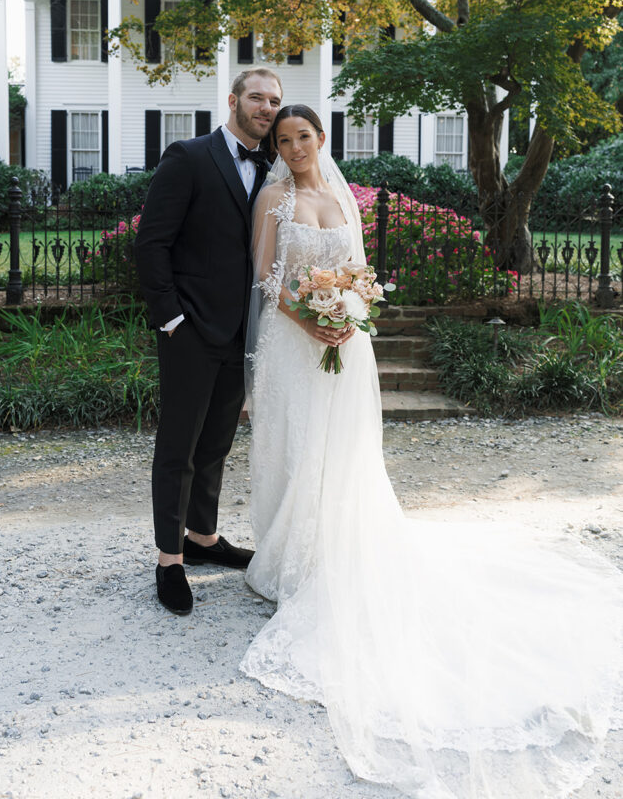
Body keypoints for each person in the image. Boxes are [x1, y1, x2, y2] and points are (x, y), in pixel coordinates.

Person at [241, 103, 623, 799]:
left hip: (344, 348)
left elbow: (357, 273)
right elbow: (267, 281)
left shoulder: (337, 198)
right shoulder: (273, 198)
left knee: (344, 453)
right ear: (276, 146)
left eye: (303, 137)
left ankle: (337, 548)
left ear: (320, 140)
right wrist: (309, 319)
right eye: (283, 139)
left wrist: (348, 316)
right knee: (295, 451)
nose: (294, 148)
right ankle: (288, 557)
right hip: (292, 349)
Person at [134, 68, 282, 615]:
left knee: (216, 443)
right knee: (178, 447)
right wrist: (171, 320)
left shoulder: (273, 168)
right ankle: (169, 559)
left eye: (274, 101)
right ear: (234, 100)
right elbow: (152, 244)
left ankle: (202, 539)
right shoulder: (189, 156)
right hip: (190, 330)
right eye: (257, 98)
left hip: (243, 332)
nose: (266, 109)